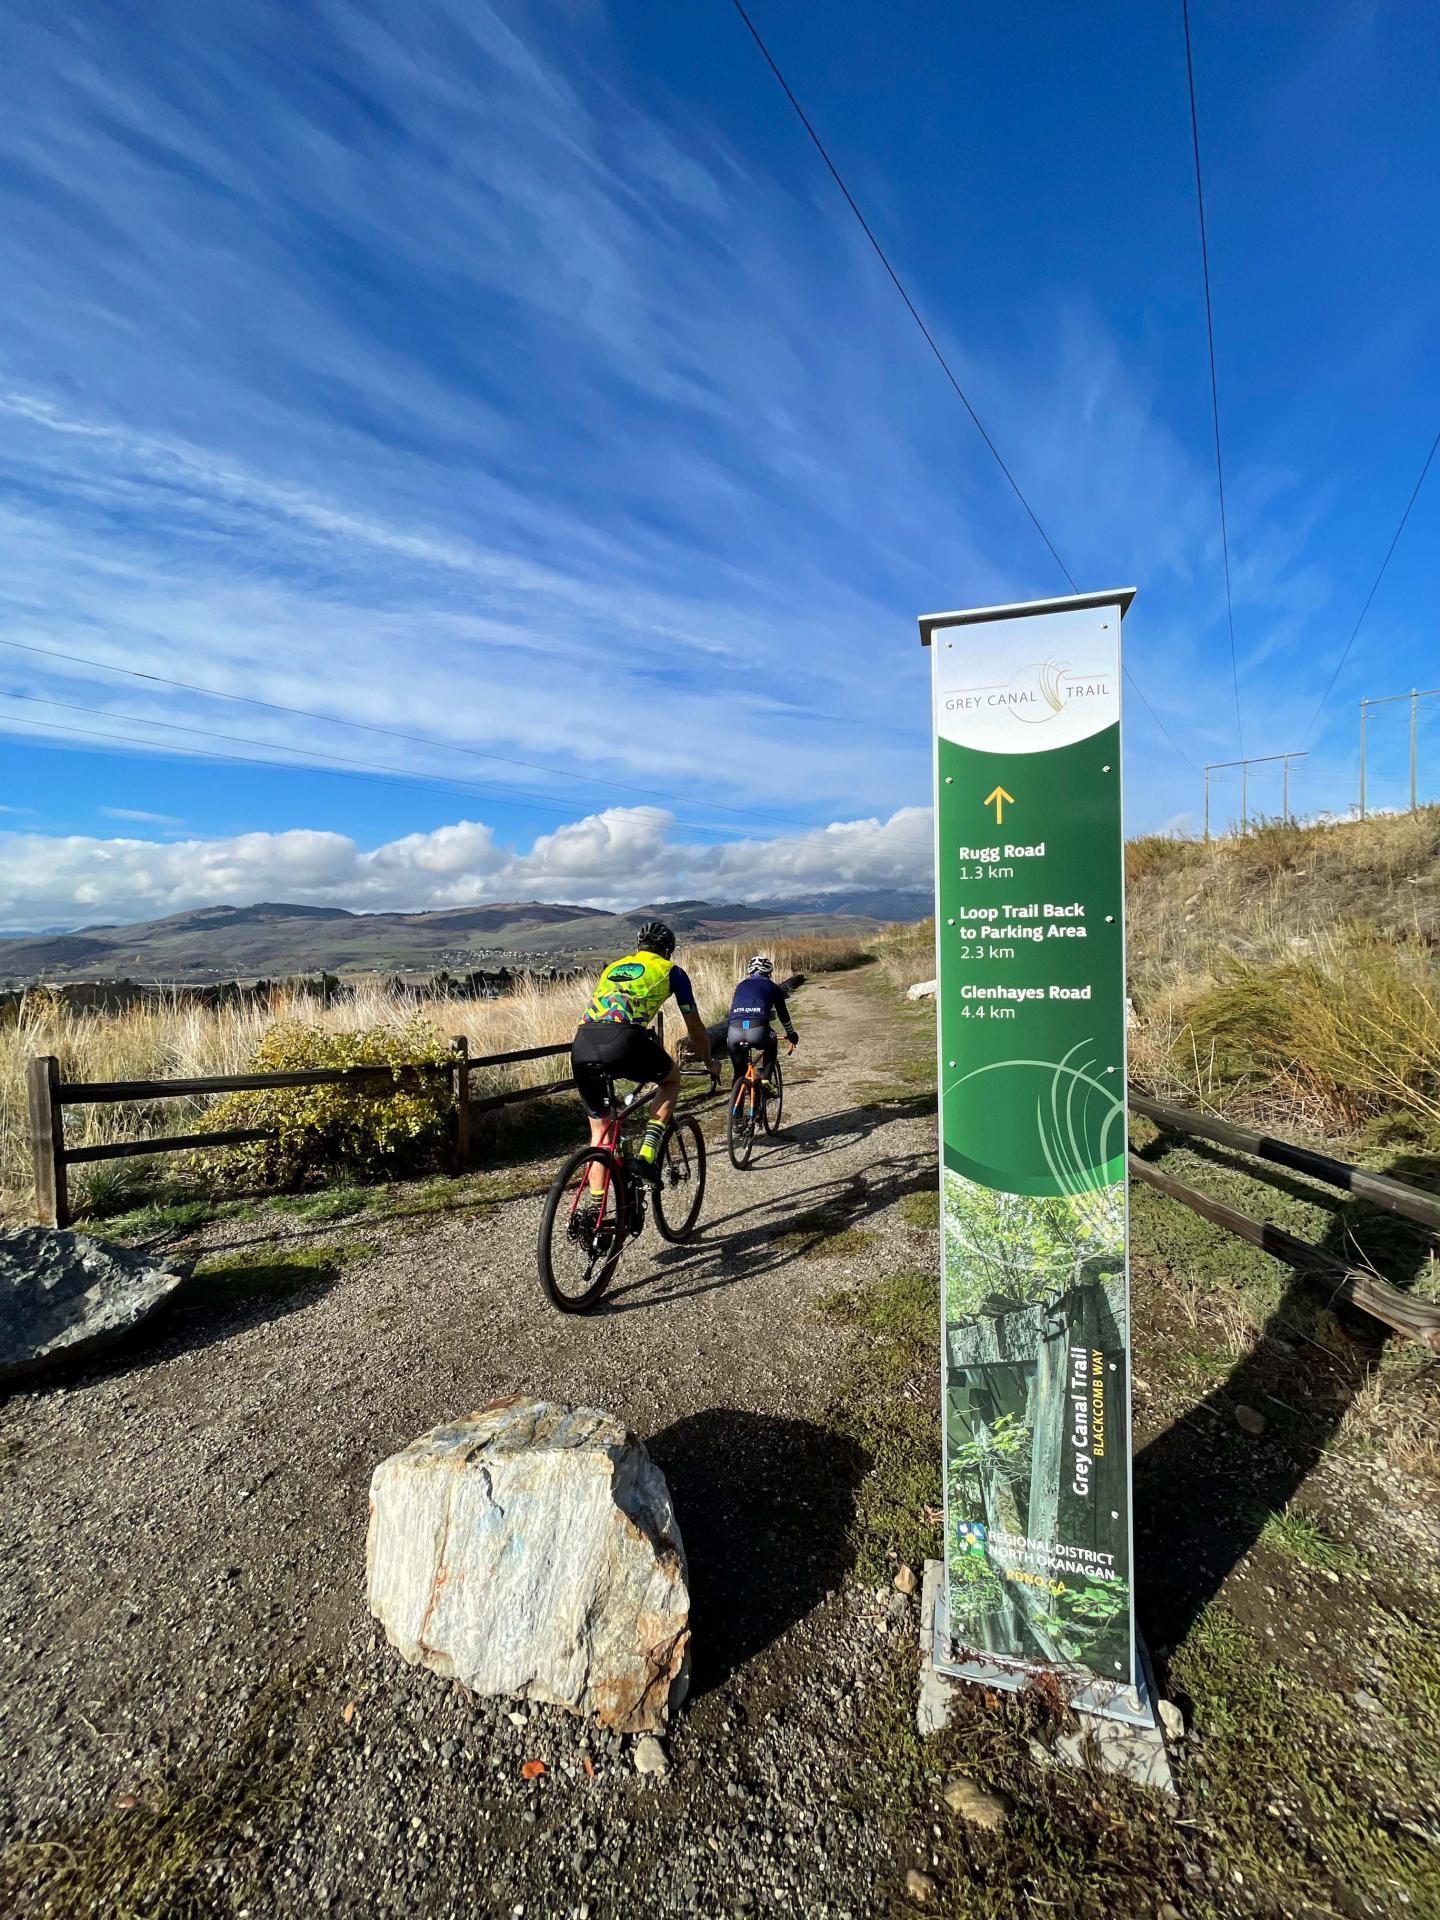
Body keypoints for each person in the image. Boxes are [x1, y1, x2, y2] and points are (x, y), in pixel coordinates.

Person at [571, 919, 719, 1184]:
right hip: (625, 1038)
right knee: (671, 1079)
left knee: (600, 1135)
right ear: (667, 951)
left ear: (638, 947)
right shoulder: (672, 971)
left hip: (583, 1042)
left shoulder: (613, 967)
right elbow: (695, 1029)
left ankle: (596, 1206)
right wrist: (708, 1061)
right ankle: (647, 1155)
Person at [726, 954, 798, 1090]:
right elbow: (783, 1014)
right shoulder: (772, 987)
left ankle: (736, 1099)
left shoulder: (740, 985)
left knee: (739, 1073)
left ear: (750, 971)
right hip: (758, 1031)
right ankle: (766, 1080)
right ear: (769, 972)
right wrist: (791, 1034)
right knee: (772, 1042)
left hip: (734, 1032)